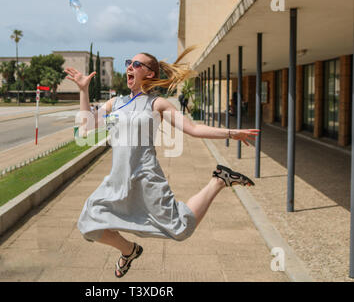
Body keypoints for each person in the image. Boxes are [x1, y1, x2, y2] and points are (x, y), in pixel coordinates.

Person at [64, 46, 259, 278]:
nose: (130, 66)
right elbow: (85, 128)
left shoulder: (156, 104)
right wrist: (83, 90)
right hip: (117, 181)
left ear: (149, 74)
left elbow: (194, 129)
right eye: (129, 62)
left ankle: (219, 180)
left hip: (146, 179)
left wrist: (230, 133)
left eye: (137, 64)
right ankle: (129, 250)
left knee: (181, 229)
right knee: (88, 223)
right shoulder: (115, 102)